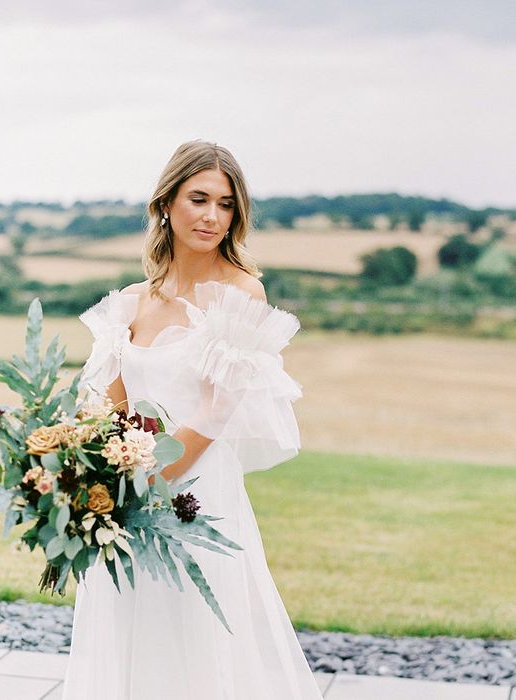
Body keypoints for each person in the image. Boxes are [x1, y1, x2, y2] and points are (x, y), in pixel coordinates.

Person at [61, 140, 324, 699]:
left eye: (226, 204)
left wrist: (155, 479)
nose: (211, 216)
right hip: (128, 493)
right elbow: (108, 409)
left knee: (198, 631)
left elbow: (218, 409)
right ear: (166, 204)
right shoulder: (132, 302)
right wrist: (87, 475)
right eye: (198, 199)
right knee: (132, 624)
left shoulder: (239, 291)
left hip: (197, 492)